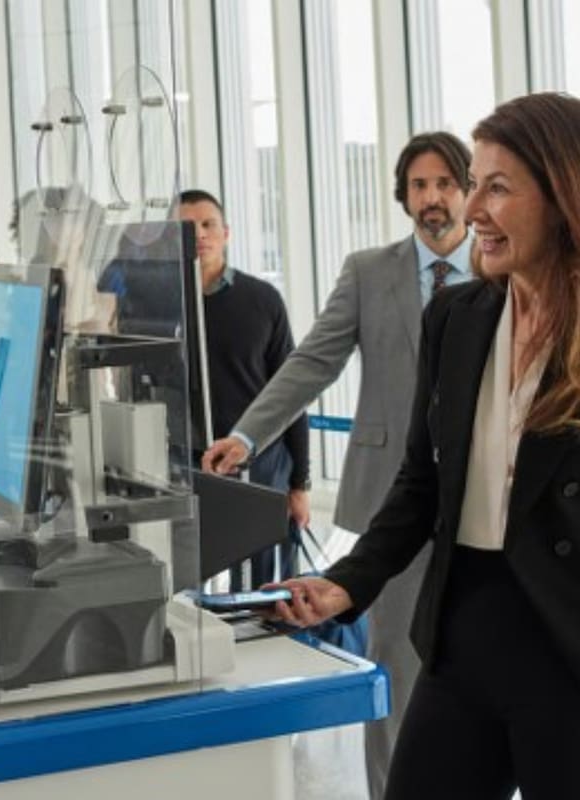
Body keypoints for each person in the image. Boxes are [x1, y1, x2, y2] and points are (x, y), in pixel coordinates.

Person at [273, 92, 580, 799]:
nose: (472, 210)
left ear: (561, 194)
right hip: (463, 628)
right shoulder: (459, 316)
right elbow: (420, 483)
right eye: (475, 185)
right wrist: (347, 581)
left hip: (566, 644)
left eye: (496, 188)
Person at [202, 131, 473, 798]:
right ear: (403, 195)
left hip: (484, 495)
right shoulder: (369, 270)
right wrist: (247, 435)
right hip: (394, 495)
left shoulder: (499, 266)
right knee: (396, 660)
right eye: (418, 185)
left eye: (444, 183)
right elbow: (312, 362)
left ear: (466, 189)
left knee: (481, 659)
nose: (431, 198)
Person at [172, 189, 311, 589]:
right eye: (186, 227)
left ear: (226, 233)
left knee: (263, 590)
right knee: (186, 586)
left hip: (262, 462)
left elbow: (292, 393)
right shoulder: (159, 305)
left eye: (207, 224)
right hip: (189, 462)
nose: (199, 234)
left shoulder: (262, 299)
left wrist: (299, 484)